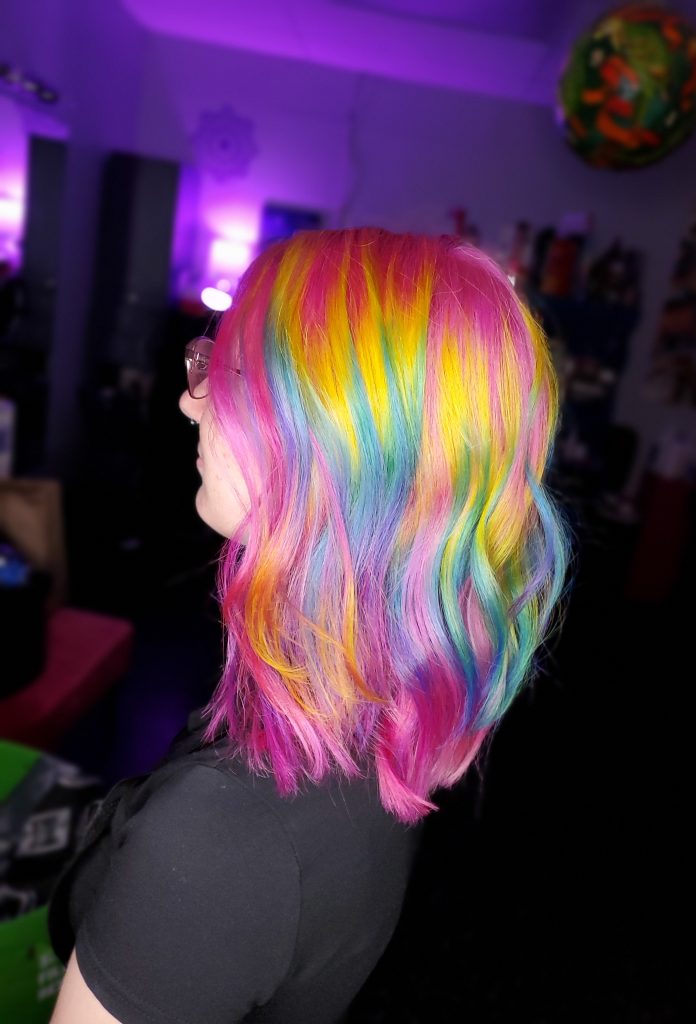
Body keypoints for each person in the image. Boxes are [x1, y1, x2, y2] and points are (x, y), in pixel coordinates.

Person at [47, 227, 570, 1023]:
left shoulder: (217, 840)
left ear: (331, 445)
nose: (189, 401)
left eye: (228, 375)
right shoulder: (384, 716)